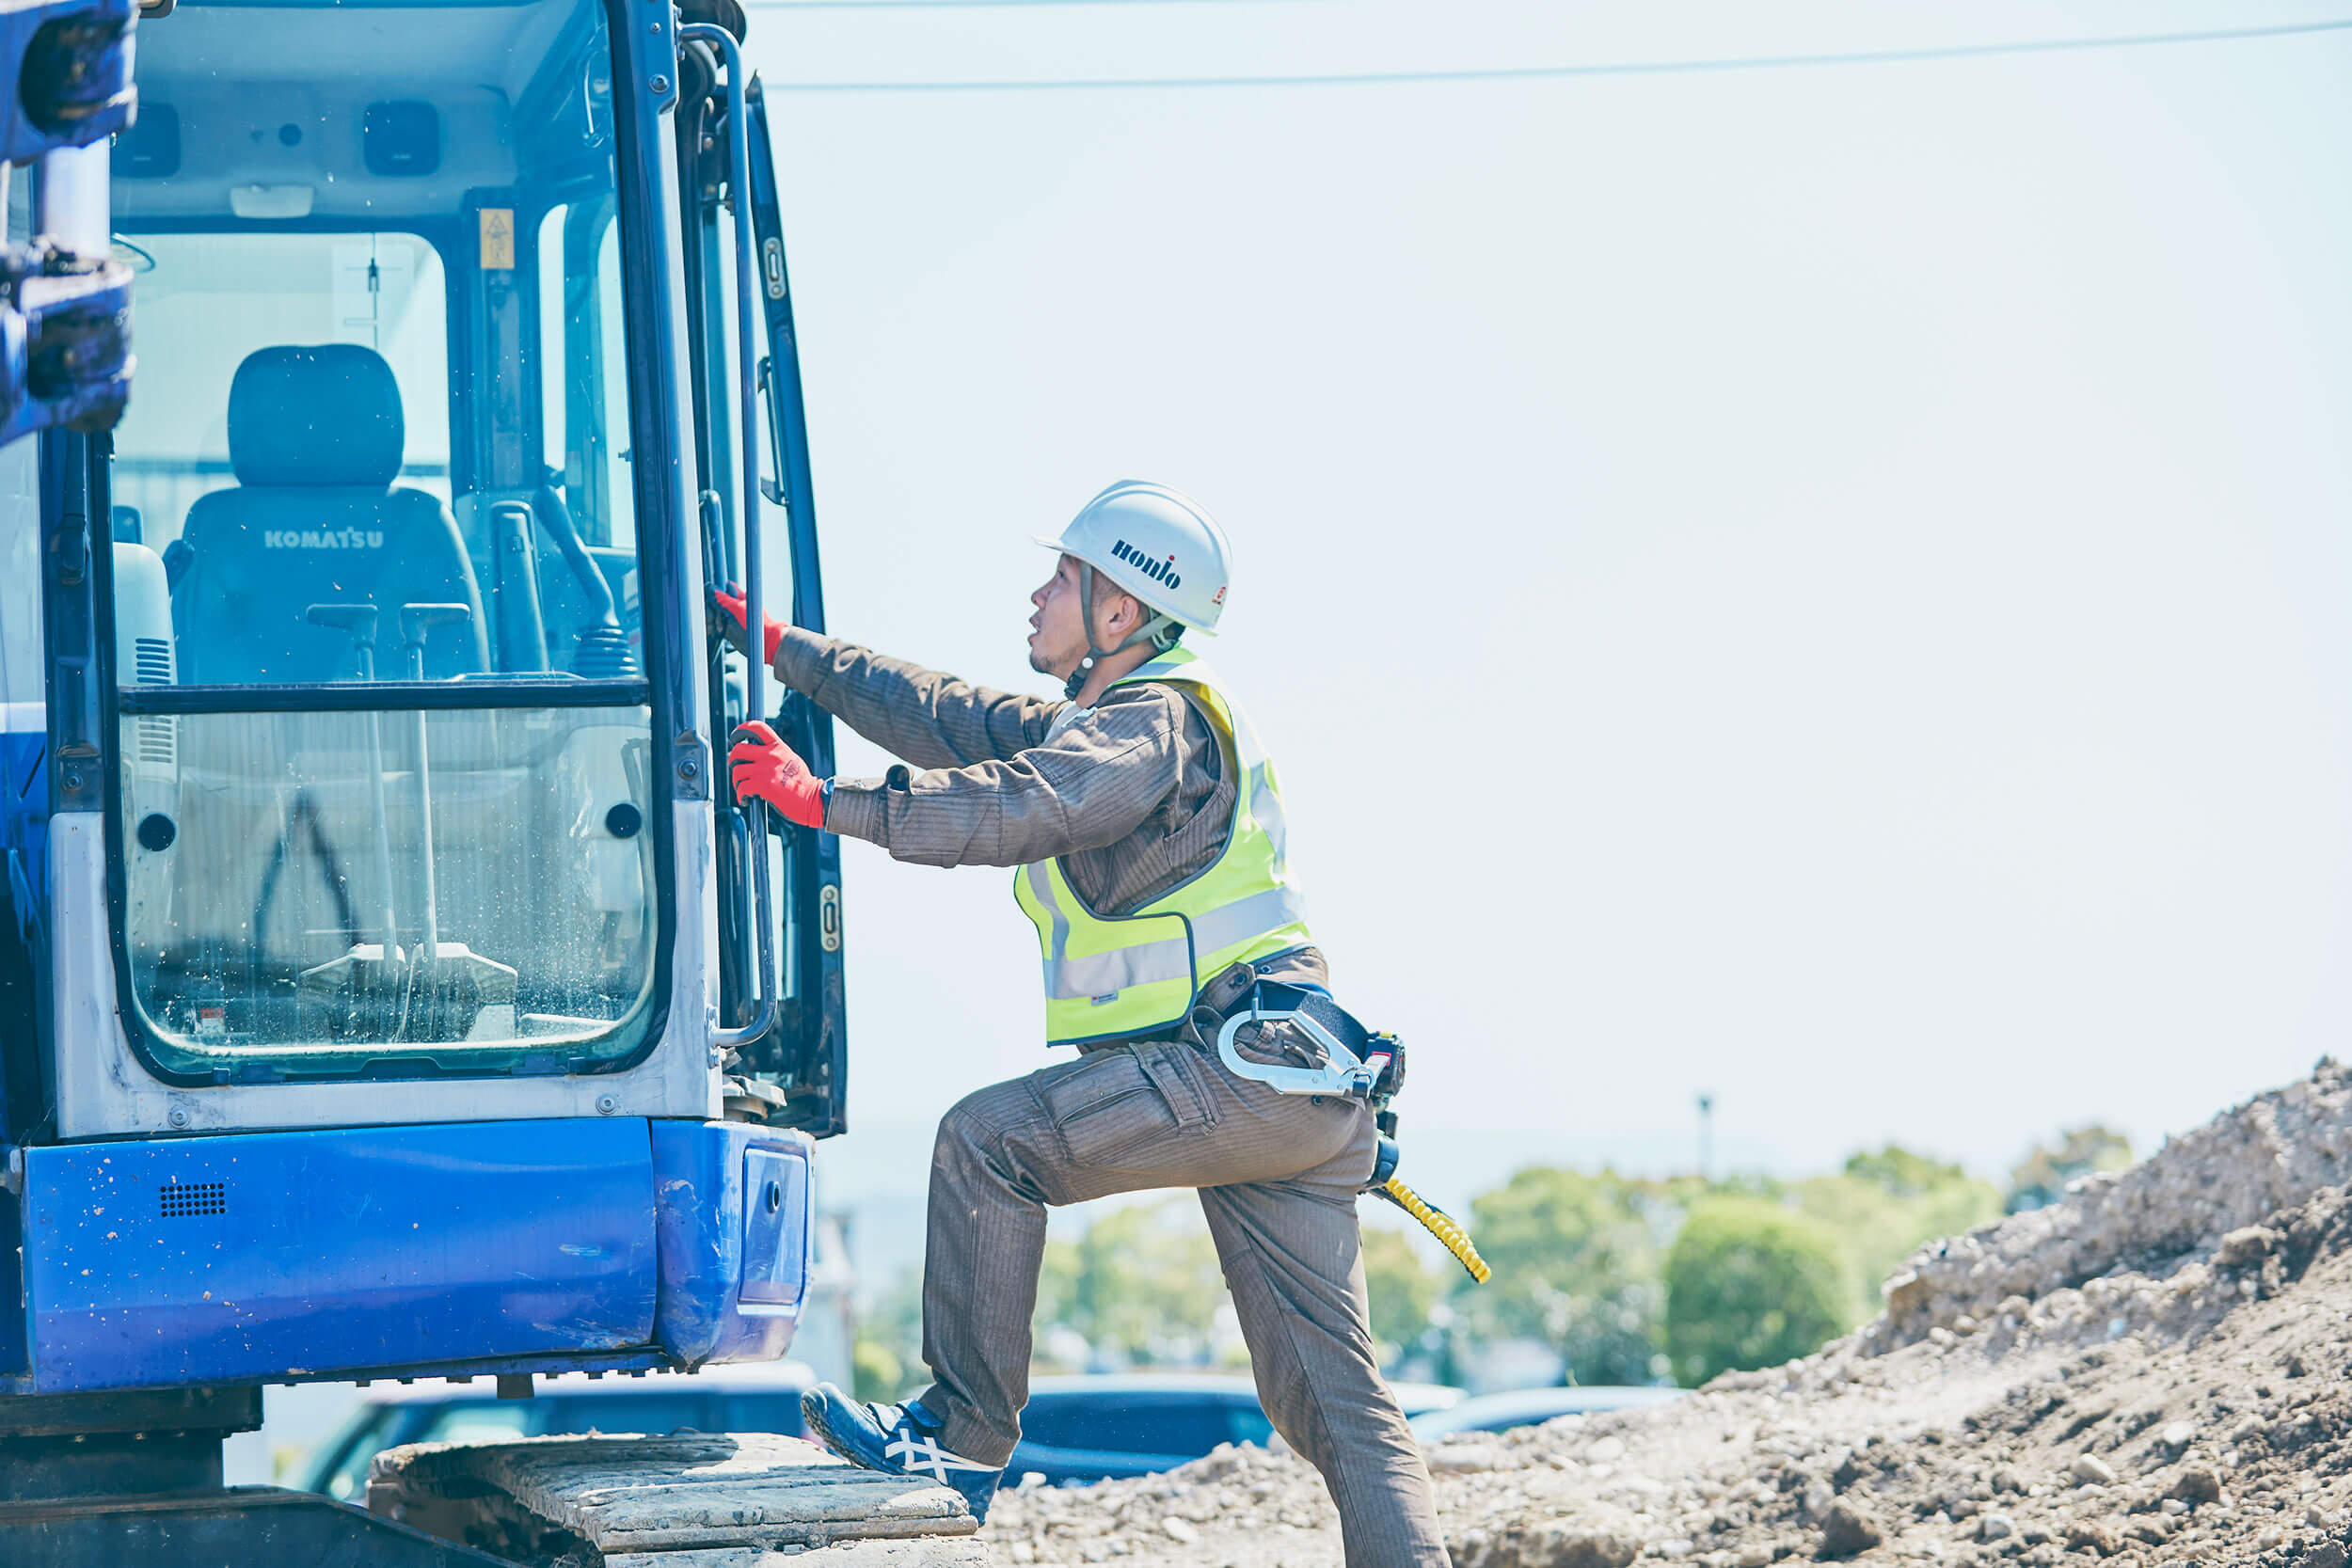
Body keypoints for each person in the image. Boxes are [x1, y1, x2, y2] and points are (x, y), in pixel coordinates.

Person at [716, 480, 1444, 1567]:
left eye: (1063, 576)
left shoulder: (1152, 719)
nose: (1038, 594)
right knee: (1330, 1403)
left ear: (1120, 611)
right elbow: (948, 712)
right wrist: (787, 649)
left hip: (1235, 1066)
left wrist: (826, 800)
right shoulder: (1113, 717)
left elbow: (1027, 803)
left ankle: (958, 1446)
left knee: (987, 1142)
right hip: (1300, 1084)